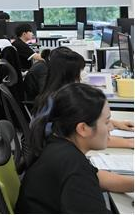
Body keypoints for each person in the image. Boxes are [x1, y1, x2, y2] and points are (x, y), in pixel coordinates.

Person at [16, 83, 133, 213]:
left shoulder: (58, 145)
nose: (111, 128)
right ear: (83, 129)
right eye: (106, 122)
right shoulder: (73, 167)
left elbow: (96, 177)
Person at [34, 46, 133, 148]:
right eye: (80, 71)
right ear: (70, 75)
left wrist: (115, 123)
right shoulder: (63, 101)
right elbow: (90, 137)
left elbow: (83, 121)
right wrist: (129, 143)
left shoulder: (52, 93)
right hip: (57, 147)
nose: (82, 75)